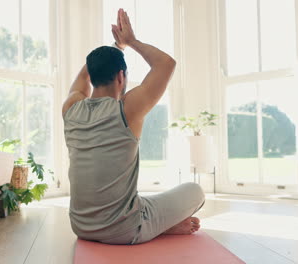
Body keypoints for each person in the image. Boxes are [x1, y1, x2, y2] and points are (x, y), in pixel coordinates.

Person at [62, 9, 205, 245]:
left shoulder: (70, 107)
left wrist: (114, 49)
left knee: (141, 200)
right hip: (124, 230)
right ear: (121, 77)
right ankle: (161, 226)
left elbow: (84, 75)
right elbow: (166, 64)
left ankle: (157, 221)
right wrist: (130, 41)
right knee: (195, 192)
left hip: (80, 226)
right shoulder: (126, 110)